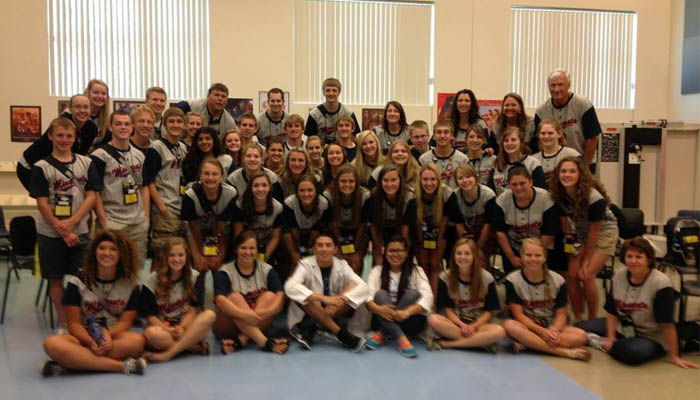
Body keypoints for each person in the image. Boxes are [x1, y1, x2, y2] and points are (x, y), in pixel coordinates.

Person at [577, 237, 700, 368]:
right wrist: (611, 336)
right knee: (579, 326)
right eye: (629, 256)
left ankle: (597, 341)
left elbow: (667, 325)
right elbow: (612, 311)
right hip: (622, 327)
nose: (633, 261)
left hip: (650, 337)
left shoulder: (661, 284)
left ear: (649, 259)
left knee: (632, 354)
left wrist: (675, 356)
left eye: (639, 257)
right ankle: (607, 341)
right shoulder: (618, 276)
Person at [41, 230, 146, 376]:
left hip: (113, 337)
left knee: (137, 341)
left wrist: (108, 336)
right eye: (102, 248)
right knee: (52, 344)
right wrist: (90, 342)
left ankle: (72, 364)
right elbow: (73, 324)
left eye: (113, 249)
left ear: (121, 254)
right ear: (94, 252)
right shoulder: (77, 281)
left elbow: (125, 323)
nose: (106, 253)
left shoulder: (131, 284)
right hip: (83, 337)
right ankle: (121, 366)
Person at [30, 117, 100, 328]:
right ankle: (66, 325)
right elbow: (42, 203)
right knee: (56, 279)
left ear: (75, 137)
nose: (64, 139)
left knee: (86, 279)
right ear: (50, 136)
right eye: (59, 135)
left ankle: (85, 321)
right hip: (51, 234)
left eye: (69, 136)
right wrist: (62, 229)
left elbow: (91, 197)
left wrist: (72, 223)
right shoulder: (41, 167)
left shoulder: (86, 163)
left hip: (79, 231)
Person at [550, 157, 618, 320]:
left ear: (581, 174)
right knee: (572, 274)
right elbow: (566, 227)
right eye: (563, 171)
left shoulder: (593, 197)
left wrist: (586, 260)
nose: (567, 175)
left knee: (586, 274)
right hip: (578, 233)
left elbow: (594, 232)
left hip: (604, 233)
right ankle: (579, 318)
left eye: (572, 171)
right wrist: (572, 254)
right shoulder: (558, 194)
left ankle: (593, 319)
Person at [503, 237, 591, 361]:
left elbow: (562, 314)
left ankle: (530, 344)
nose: (533, 259)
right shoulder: (512, 280)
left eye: (537, 255)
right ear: (521, 257)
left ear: (544, 257)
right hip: (528, 327)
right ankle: (561, 352)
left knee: (581, 335)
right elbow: (519, 315)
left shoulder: (558, 280)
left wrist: (554, 331)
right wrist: (542, 332)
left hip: (551, 326)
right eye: (528, 255)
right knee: (509, 325)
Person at [284, 233, 368, 352]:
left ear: (335, 249)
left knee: (353, 285)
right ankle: (342, 335)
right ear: (313, 249)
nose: (324, 249)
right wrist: (324, 299)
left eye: (328, 245)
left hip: (332, 310)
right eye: (320, 245)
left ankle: (309, 326)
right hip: (311, 309)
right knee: (302, 294)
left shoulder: (342, 265)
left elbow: (364, 287)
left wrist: (341, 298)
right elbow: (289, 287)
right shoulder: (305, 264)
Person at [141, 237, 216, 362]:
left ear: (187, 257)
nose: (177, 259)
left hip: (186, 328)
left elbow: (193, 309)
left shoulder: (195, 277)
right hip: (163, 328)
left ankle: (168, 353)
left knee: (210, 315)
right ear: (165, 257)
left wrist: (182, 327)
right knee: (151, 334)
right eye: (172, 255)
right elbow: (151, 316)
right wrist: (169, 330)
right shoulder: (151, 281)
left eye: (181, 255)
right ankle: (192, 348)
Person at [214, 231, 288, 354]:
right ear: (236, 249)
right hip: (229, 325)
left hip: (258, 321)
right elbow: (220, 301)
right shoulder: (225, 272)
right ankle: (265, 342)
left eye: (252, 248)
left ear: (257, 250)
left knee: (270, 296)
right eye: (243, 248)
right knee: (234, 297)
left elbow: (280, 297)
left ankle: (241, 340)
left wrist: (266, 312)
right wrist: (244, 314)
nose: (248, 252)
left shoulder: (267, 269)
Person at [90, 111, 149, 263]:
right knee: (109, 266)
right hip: (112, 221)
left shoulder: (140, 155)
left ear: (132, 128)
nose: (123, 127)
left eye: (127, 124)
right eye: (118, 124)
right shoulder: (99, 156)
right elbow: (94, 192)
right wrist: (103, 221)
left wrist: (146, 218)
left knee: (135, 267)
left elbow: (144, 187)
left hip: (138, 223)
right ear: (110, 127)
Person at [427, 238, 505, 351]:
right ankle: (481, 342)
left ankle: (447, 344)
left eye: (467, 253)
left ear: (474, 256)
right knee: (433, 319)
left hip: (479, 325)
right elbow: (448, 309)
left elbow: (489, 311)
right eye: (459, 253)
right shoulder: (445, 277)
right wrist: (461, 325)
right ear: (453, 256)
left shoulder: (487, 278)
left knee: (499, 331)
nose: (462, 257)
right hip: (456, 324)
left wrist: (474, 326)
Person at [365, 236, 432, 357]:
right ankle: (402, 339)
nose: (395, 254)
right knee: (380, 294)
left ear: (406, 253)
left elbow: (428, 297)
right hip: (382, 319)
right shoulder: (377, 271)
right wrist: (379, 309)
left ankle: (382, 334)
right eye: (391, 251)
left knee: (413, 293)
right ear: (385, 252)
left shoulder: (417, 271)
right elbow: (367, 297)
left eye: (399, 251)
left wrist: (407, 312)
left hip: (410, 322)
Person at [17, 94, 98, 191]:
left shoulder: (91, 128)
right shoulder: (63, 124)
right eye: (77, 107)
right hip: (29, 166)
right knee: (51, 199)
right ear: (70, 109)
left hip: (56, 167)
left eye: (86, 107)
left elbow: (79, 155)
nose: (82, 110)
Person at [493, 166, 559, 274]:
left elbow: (549, 233)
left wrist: (533, 257)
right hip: (513, 249)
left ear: (530, 182)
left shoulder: (546, 198)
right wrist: (512, 258)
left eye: (522, 183)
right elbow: (500, 232)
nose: (518, 187)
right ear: (509, 185)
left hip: (541, 249)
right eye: (514, 184)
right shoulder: (502, 200)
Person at [535, 69, 602, 171]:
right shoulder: (541, 110)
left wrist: (585, 167)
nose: (556, 89)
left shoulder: (583, 104)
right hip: (555, 166)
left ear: (568, 85)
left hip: (583, 161)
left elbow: (592, 138)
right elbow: (540, 141)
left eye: (560, 84)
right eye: (553, 85)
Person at [143, 107, 189, 254]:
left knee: (178, 256)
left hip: (180, 208)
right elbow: (148, 181)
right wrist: (162, 207)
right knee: (162, 256)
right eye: (171, 121)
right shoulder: (156, 147)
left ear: (184, 125)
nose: (175, 125)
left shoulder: (182, 147)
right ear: (164, 124)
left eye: (179, 122)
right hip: (165, 211)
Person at [181, 158, 238, 273]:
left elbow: (222, 230)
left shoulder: (230, 194)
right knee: (199, 266)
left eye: (215, 174)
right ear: (200, 176)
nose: (210, 178)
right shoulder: (190, 195)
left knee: (218, 265)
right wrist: (199, 255)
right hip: (195, 234)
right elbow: (193, 229)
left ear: (222, 176)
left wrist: (218, 255)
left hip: (218, 233)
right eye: (206, 173)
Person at [414, 163, 456, 297]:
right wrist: (421, 246)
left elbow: (444, 226)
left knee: (434, 263)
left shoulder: (447, 194)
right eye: (425, 179)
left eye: (433, 179)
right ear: (420, 181)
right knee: (423, 263)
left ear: (438, 180)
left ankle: (434, 299)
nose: (429, 183)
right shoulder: (413, 195)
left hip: (442, 234)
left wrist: (438, 247)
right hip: (420, 234)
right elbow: (416, 226)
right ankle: (424, 297)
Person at [232, 171, 285, 268]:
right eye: (256, 185)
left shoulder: (277, 208)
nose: (260, 189)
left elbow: (275, 237)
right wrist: (248, 255)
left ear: (270, 187)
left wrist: (265, 257)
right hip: (245, 249)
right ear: (250, 188)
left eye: (264, 185)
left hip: (267, 250)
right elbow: (238, 236)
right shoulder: (240, 206)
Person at [325, 164, 370, 274]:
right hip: (336, 233)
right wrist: (340, 248)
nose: (347, 185)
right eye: (343, 181)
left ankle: (356, 284)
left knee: (356, 262)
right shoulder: (328, 195)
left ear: (356, 182)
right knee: (339, 263)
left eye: (351, 181)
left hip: (358, 234)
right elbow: (332, 224)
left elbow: (362, 226)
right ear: (337, 182)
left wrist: (356, 251)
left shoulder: (364, 195)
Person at [368, 164, 417, 265]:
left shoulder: (409, 198)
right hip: (382, 231)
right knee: (379, 260)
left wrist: (398, 249)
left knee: (399, 258)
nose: (389, 184)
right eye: (385, 180)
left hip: (402, 233)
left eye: (393, 180)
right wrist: (380, 246)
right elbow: (374, 226)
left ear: (400, 180)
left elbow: (405, 229)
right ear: (380, 182)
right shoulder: (374, 196)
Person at [283, 174, 330, 268]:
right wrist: (295, 254)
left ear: (316, 191)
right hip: (293, 240)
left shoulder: (323, 204)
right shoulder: (289, 203)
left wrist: (310, 251)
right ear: (296, 192)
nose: (306, 194)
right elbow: (288, 231)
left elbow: (318, 230)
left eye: (310, 190)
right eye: (302, 190)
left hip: (313, 239)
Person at [453, 164, 497, 256]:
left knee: (481, 258)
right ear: (456, 182)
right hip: (465, 232)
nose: (465, 181)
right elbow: (458, 224)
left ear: (475, 178)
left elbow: (487, 225)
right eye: (460, 178)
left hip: (484, 233)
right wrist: (465, 247)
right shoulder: (454, 196)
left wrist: (477, 250)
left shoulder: (488, 195)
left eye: (468, 177)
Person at [490, 126, 546, 195]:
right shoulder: (497, 164)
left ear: (521, 142)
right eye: (506, 141)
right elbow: (491, 191)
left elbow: (541, 192)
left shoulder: (533, 163)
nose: (509, 143)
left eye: (513, 140)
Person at [304, 77, 360, 144]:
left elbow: (353, 138)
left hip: (343, 151)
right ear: (323, 92)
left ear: (339, 92)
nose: (331, 93)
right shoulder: (314, 115)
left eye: (334, 90)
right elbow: (310, 140)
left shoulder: (348, 113)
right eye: (327, 90)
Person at [418, 120, 469, 189]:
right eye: (439, 132)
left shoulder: (463, 159)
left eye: (446, 132)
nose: (442, 136)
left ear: (452, 136)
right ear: (434, 136)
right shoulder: (424, 160)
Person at [450, 89, 488, 153]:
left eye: (467, 101)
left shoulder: (481, 124)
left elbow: (486, 146)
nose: (463, 103)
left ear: (472, 104)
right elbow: (433, 144)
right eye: (460, 100)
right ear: (456, 103)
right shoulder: (448, 124)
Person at [84, 79, 111, 147]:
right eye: (95, 93)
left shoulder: (107, 119)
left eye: (103, 94)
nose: (100, 96)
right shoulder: (75, 115)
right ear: (88, 94)